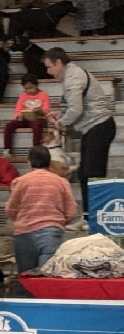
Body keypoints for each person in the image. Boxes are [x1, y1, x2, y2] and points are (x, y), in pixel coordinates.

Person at [44, 46, 116, 222]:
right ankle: (87, 216)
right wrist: (61, 114)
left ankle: (96, 218)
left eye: (49, 67)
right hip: (92, 128)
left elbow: (76, 110)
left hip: (99, 126)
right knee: (84, 173)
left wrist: (61, 124)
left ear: (58, 62)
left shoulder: (73, 77)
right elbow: (75, 106)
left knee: (93, 174)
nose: (48, 71)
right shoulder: (71, 74)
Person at [5, 145, 79, 273]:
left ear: (29, 162)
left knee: (26, 278)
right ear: (49, 163)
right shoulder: (61, 182)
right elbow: (71, 211)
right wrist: (58, 222)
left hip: (24, 234)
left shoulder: (20, 182)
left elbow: (10, 210)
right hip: (52, 232)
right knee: (46, 278)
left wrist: (22, 220)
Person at [3, 74, 50, 156]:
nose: (29, 91)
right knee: (9, 125)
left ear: (36, 85)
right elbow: (18, 110)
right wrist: (19, 115)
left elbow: (46, 111)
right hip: (25, 119)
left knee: (37, 125)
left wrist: (40, 110)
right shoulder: (23, 95)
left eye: (31, 87)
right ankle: (7, 149)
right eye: (26, 89)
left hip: (38, 118)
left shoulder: (43, 95)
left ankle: (36, 149)